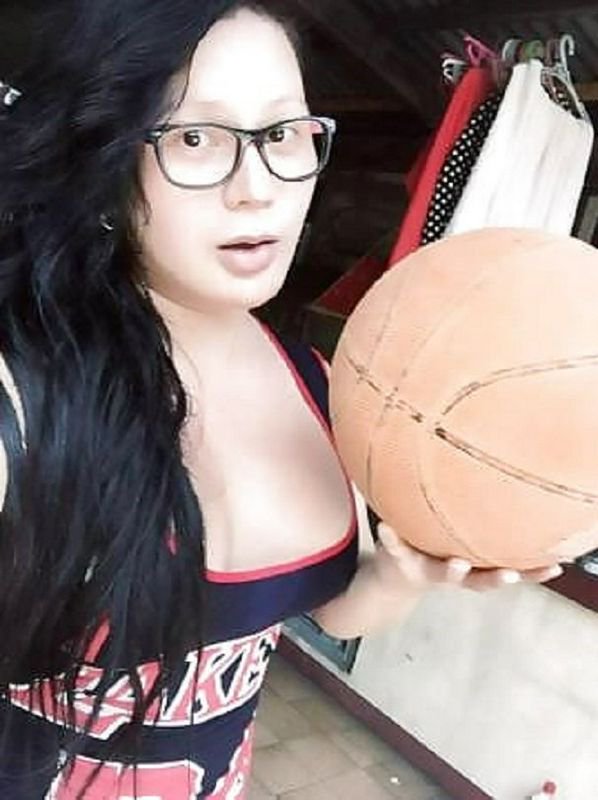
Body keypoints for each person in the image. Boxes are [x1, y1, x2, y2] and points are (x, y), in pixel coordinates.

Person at [0, 1, 563, 797]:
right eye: (196, 138)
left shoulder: (324, 384)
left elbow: (329, 614)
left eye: (282, 134)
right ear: (106, 157)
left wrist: (404, 574)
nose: (258, 187)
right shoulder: (25, 390)